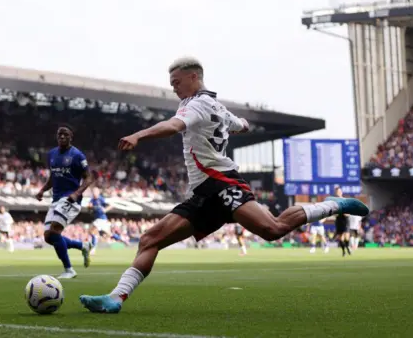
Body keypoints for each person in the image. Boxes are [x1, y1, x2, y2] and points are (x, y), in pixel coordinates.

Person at [79, 57, 369, 313]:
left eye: (177, 81)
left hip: (222, 182)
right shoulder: (211, 105)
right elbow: (240, 124)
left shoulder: (198, 105)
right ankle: (116, 298)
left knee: (273, 229)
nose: (174, 87)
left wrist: (139, 135)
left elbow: (173, 126)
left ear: (194, 77)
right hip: (202, 193)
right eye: (171, 83)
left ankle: (335, 204)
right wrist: (240, 122)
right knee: (150, 240)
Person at [35, 124, 93, 279]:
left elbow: (89, 177)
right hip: (55, 199)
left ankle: (69, 270)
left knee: (55, 231)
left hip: (69, 198)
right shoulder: (52, 154)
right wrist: (42, 190)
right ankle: (83, 246)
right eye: (59, 134)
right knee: (49, 237)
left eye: (65, 135)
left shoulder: (77, 155)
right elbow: (53, 177)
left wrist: (77, 193)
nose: (62, 137)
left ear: (70, 137)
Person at [333, 187, 352, 257]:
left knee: (347, 237)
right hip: (339, 220)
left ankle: (347, 247)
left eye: (339, 191)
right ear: (336, 193)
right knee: (340, 238)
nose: (338, 193)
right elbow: (333, 213)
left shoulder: (345, 200)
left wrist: (345, 213)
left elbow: (349, 212)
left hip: (346, 220)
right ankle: (343, 251)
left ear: (341, 192)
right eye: (337, 192)